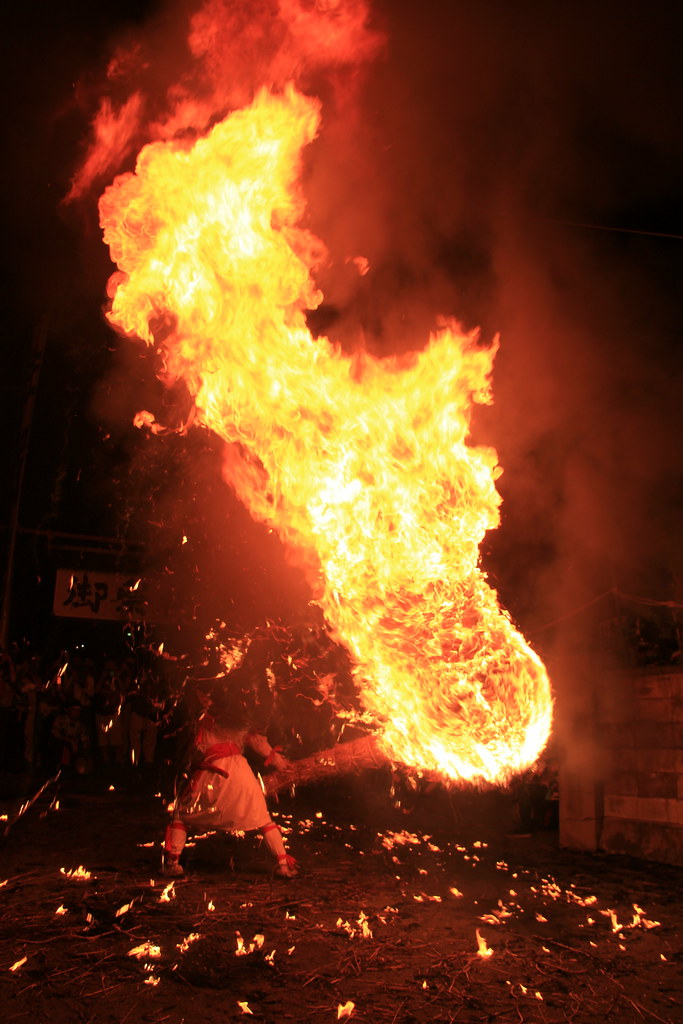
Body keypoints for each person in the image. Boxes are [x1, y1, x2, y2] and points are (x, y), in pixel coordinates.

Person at [162, 669, 298, 879]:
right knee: (263, 820)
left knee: (181, 815)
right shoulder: (226, 718)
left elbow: (194, 747)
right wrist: (281, 763)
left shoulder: (207, 718)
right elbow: (258, 742)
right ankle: (283, 865)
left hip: (212, 775)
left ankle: (173, 862)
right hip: (237, 775)